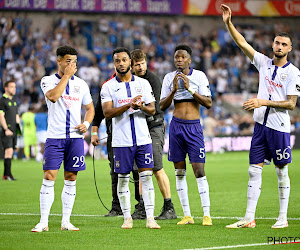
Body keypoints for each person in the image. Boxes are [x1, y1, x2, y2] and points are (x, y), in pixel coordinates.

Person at [221, 4, 300, 229]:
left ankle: (282, 218)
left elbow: (292, 104)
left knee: (281, 170)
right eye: (277, 42)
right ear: (272, 44)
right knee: (253, 170)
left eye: (284, 44)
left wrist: (262, 101)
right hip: (260, 127)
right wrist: (228, 23)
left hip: (279, 128)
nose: (279, 46)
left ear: (290, 49)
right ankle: (249, 218)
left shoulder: (293, 73)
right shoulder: (264, 63)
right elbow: (242, 43)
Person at [31, 45, 95, 232]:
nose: (71, 65)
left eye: (74, 62)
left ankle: (66, 221)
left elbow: (90, 108)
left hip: (75, 138)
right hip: (55, 137)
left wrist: (87, 124)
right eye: (68, 61)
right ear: (58, 60)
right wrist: (66, 76)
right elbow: (52, 97)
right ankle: (43, 222)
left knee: (71, 177)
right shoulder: (47, 80)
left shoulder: (81, 84)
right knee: (49, 176)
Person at [101, 47, 160, 229]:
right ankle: (127, 218)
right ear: (114, 64)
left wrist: (140, 106)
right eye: (117, 61)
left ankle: (150, 218)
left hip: (143, 139)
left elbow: (153, 109)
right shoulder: (108, 86)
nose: (121, 63)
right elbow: (107, 112)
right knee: (123, 178)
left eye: (124, 60)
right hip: (121, 141)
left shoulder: (143, 84)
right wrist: (129, 105)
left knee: (147, 177)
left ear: (129, 62)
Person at [160, 44, 213, 226]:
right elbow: (161, 106)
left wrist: (190, 89)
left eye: (182, 57)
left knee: (199, 171)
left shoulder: (199, 76)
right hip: (176, 127)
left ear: (189, 60)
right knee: (179, 172)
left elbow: (208, 102)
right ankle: (187, 215)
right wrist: (174, 89)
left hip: (193, 128)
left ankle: (206, 214)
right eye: (176, 57)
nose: (179, 60)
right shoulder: (169, 78)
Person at [130, 49, 177, 220]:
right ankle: (142, 206)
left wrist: (139, 106)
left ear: (145, 62)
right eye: (137, 65)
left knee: (157, 168)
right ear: (132, 66)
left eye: (142, 63)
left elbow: (155, 108)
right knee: (143, 168)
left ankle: (169, 206)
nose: (140, 67)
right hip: (140, 128)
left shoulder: (153, 80)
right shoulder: (132, 81)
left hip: (154, 126)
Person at [91, 73, 123, 217]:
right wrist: (94, 132)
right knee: (115, 170)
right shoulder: (107, 86)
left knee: (137, 170)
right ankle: (117, 206)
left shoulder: (138, 83)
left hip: (135, 136)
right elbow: (99, 111)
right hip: (114, 135)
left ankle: (139, 205)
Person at [0, 80, 20, 180]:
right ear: (6, 88)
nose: (14, 88)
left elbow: (16, 116)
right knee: (8, 152)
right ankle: (8, 175)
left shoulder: (14, 101)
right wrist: (6, 129)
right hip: (7, 131)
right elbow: (1, 116)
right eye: (11, 86)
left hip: (14, 131)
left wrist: (19, 130)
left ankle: (6, 174)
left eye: (15, 86)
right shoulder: (2, 101)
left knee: (11, 152)